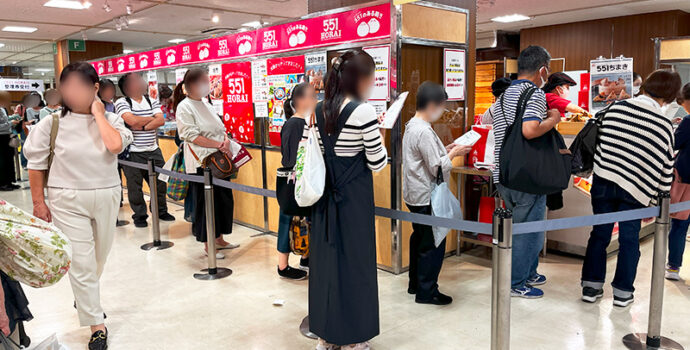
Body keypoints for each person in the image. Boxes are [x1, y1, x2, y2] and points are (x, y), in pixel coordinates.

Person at [24, 61, 133, 350]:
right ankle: (96, 324)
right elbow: (35, 165)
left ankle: (86, 294)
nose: (71, 93)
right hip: (66, 197)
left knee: (100, 255)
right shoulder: (52, 123)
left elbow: (114, 146)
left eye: (79, 87)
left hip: (107, 194)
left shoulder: (113, 120)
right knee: (82, 261)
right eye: (66, 87)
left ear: (95, 88)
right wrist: (39, 202)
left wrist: (99, 113)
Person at [308, 50, 387, 350]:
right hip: (352, 201)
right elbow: (378, 162)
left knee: (327, 264)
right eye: (372, 76)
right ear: (360, 78)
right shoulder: (363, 112)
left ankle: (326, 336)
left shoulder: (317, 110)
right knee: (355, 266)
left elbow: (317, 154)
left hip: (324, 199)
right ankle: (354, 340)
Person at [580, 70, 679, 307]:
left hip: (603, 181)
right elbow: (666, 167)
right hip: (636, 188)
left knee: (599, 234)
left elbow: (599, 140)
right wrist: (658, 200)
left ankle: (590, 287)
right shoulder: (664, 125)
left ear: (645, 86)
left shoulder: (614, 109)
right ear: (670, 95)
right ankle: (623, 292)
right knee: (629, 239)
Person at [492, 45, 560, 299]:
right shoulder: (534, 94)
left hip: (505, 174)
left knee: (519, 226)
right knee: (528, 230)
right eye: (548, 70)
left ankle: (528, 272)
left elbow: (491, 123)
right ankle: (516, 281)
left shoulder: (504, 94)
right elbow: (530, 130)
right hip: (526, 176)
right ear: (542, 69)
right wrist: (553, 118)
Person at [403, 81, 472, 305]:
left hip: (414, 194)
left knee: (420, 239)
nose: (443, 111)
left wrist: (448, 149)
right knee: (432, 244)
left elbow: (426, 158)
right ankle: (427, 291)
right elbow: (436, 167)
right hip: (426, 195)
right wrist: (454, 154)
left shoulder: (411, 125)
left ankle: (415, 284)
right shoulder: (423, 130)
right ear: (432, 104)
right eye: (442, 106)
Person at [175, 68, 237, 259]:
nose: (208, 85)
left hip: (220, 160)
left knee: (223, 201)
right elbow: (190, 135)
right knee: (206, 204)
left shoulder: (206, 103)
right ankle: (208, 244)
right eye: (204, 81)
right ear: (191, 85)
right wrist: (218, 144)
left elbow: (220, 127)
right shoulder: (184, 107)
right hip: (203, 163)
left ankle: (219, 238)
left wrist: (225, 141)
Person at [115, 73, 175, 228]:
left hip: (153, 149)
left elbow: (160, 120)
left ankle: (161, 210)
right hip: (132, 152)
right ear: (128, 86)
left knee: (160, 183)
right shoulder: (122, 102)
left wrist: (140, 126)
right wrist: (150, 120)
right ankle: (140, 216)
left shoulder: (151, 100)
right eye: (138, 80)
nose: (142, 82)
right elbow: (131, 120)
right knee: (135, 186)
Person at [276, 82, 315, 280]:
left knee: (303, 221)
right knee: (289, 221)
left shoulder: (304, 122)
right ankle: (282, 265)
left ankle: (306, 257)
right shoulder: (295, 124)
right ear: (300, 100)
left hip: (298, 180)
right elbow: (291, 158)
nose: (315, 100)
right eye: (312, 96)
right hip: (293, 182)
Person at [666, 83, 690, 281]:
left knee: (680, 225)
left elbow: (674, 143)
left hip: (686, 181)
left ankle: (674, 267)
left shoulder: (689, 121)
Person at [0, 92, 18, 191]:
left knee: (9, 159)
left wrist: (14, 117)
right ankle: (2, 183)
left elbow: (5, 120)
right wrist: (11, 123)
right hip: (0, 137)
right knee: (1, 161)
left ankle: (9, 181)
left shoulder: (2, 109)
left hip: (7, 136)